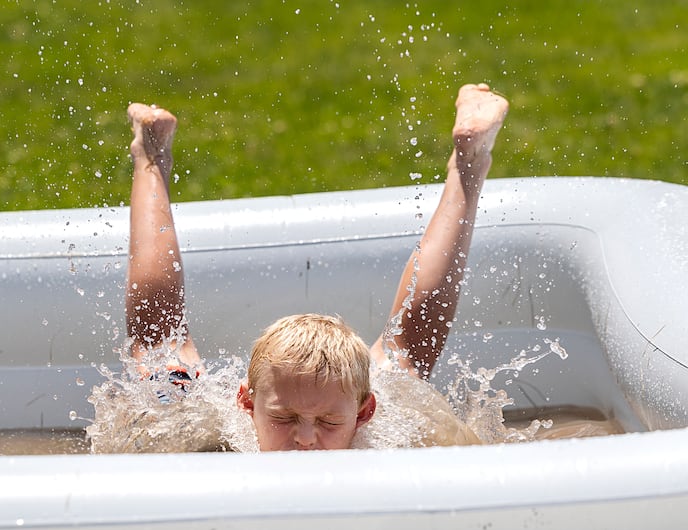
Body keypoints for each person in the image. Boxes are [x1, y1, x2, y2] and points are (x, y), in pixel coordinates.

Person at [124, 83, 509, 451]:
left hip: (360, 391)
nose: (305, 439)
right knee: (160, 348)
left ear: (364, 413)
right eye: (282, 417)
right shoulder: (209, 422)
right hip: (216, 406)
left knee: (408, 355)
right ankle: (151, 155)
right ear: (246, 403)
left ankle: (469, 161)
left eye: (328, 423)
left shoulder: (382, 423)